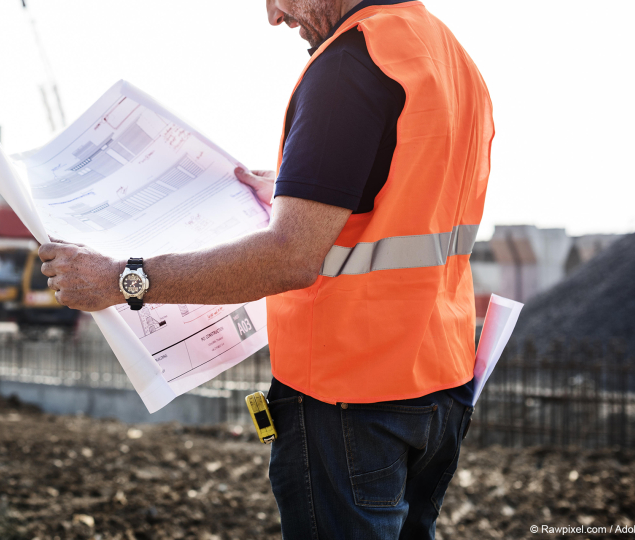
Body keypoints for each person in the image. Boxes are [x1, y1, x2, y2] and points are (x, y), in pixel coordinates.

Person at [39, 0, 493, 537]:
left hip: (349, 397)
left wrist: (121, 279)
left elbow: (290, 258)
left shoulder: (348, 64)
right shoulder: (447, 55)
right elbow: (406, 196)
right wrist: (304, 189)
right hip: (439, 387)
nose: (274, 16)